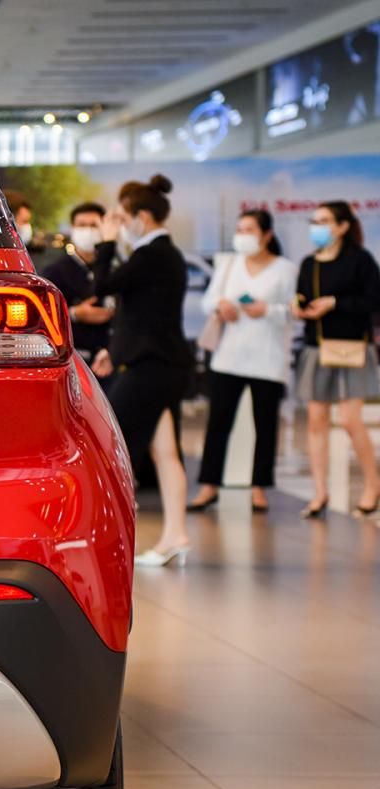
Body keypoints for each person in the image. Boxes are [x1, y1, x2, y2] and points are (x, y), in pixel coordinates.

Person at [90, 174, 193, 566]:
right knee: (165, 452)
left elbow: (103, 285)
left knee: (108, 446)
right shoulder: (160, 255)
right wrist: (114, 352)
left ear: (142, 217)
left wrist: (105, 242)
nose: (118, 224)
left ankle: (107, 537)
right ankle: (175, 536)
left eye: (122, 217)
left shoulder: (153, 255)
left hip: (153, 368)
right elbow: (140, 315)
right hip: (160, 363)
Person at [187, 210, 297, 514]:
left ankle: (259, 487)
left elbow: (294, 310)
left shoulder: (285, 269)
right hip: (229, 356)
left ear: (266, 235)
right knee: (219, 423)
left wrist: (268, 310)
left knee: (265, 425)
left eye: (249, 229)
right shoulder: (230, 265)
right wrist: (221, 306)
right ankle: (209, 485)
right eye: (239, 229)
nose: (242, 236)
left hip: (268, 358)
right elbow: (209, 300)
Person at [293, 201, 380, 518]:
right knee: (316, 419)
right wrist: (299, 306)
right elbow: (302, 295)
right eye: (314, 221)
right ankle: (320, 492)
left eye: (324, 221)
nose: (317, 227)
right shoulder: (309, 263)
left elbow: (373, 300)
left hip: (351, 347)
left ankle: (372, 485)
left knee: (349, 419)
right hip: (316, 347)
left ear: (342, 226)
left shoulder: (360, 260)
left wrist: (335, 303)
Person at [42, 202, 115, 370]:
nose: (88, 231)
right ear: (72, 228)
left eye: (93, 225)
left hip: (110, 358)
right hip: (72, 360)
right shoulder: (55, 271)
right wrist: (74, 314)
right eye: (82, 225)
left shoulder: (113, 269)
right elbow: (43, 315)